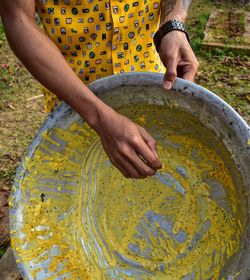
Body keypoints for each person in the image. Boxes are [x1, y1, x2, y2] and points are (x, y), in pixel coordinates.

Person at [0, 0, 198, 179]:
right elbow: (19, 19)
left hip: (153, 84)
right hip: (76, 101)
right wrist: (98, 117)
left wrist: (172, 23)